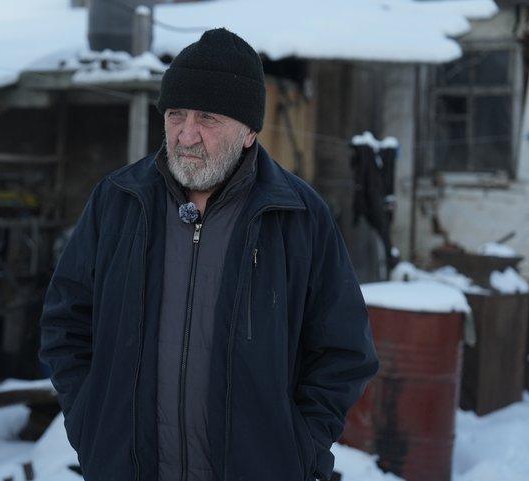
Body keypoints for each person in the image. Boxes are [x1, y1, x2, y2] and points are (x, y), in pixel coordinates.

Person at [39, 28, 378, 481]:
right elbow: (65, 323)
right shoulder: (119, 201)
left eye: (208, 118)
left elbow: (344, 350)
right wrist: (91, 424)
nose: (186, 135)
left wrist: (299, 447)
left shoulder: (297, 216)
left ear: (249, 131)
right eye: (175, 115)